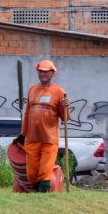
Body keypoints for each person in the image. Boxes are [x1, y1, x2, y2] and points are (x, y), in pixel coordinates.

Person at [14, 59, 69, 193]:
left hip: (49, 139)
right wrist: (23, 134)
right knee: (31, 173)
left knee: (45, 170)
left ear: (52, 73)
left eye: (46, 72)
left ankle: (43, 194)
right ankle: (36, 191)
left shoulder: (59, 92)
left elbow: (65, 117)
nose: (42, 74)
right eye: (40, 71)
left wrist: (66, 107)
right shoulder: (32, 89)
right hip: (32, 138)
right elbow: (27, 113)